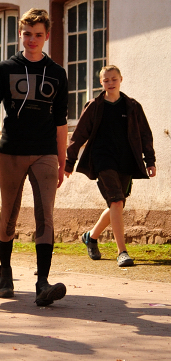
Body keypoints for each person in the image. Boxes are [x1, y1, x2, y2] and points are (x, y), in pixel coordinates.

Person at [0, 8, 68, 306]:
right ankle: (5, 272)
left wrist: (63, 160)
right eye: (27, 34)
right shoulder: (4, 69)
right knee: (8, 215)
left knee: (45, 216)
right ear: (20, 35)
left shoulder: (58, 74)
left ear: (47, 36)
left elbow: (61, 121)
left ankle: (42, 283)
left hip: (45, 152)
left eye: (38, 35)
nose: (32, 40)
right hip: (11, 151)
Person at [64, 65, 155, 267]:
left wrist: (150, 160)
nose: (110, 83)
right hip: (102, 158)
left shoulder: (132, 106)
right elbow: (79, 135)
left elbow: (145, 134)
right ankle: (122, 251)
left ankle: (91, 236)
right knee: (115, 201)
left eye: (113, 79)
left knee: (118, 204)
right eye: (106, 80)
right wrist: (69, 162)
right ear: (101, 83)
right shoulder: (95, 106)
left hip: (126, 159)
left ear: (121, 79)